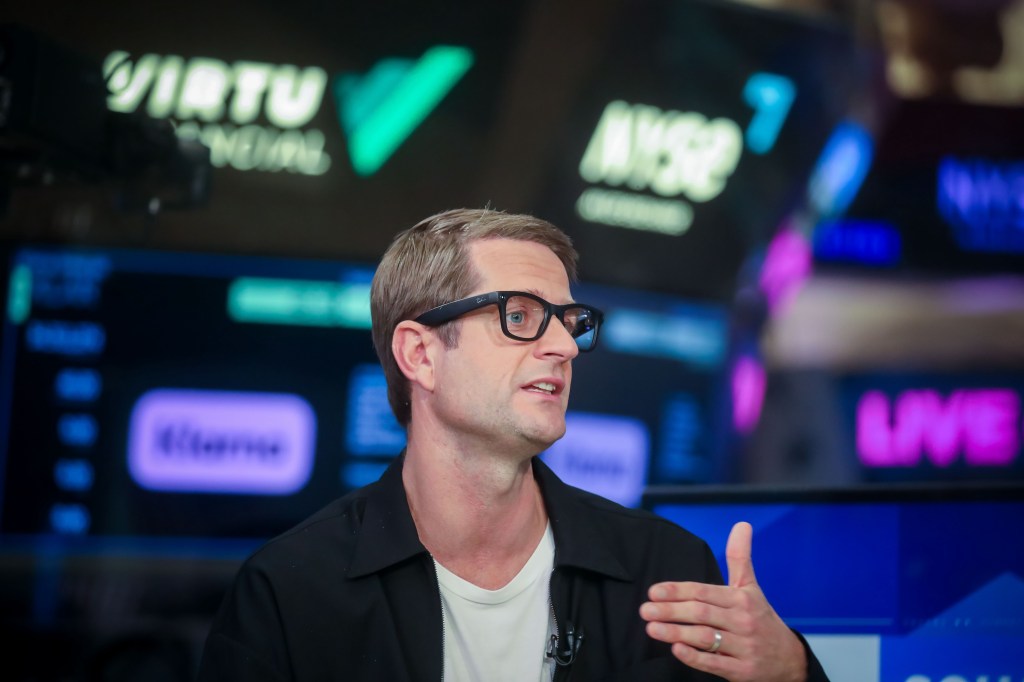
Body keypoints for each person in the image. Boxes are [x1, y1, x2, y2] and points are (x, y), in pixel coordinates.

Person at [197, 208, 830, 682]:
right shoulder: (289, 593)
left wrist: (793, 671)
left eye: (570, 322)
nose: (561, 346)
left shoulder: (663, 575)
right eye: (520, 316)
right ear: (420, 354)